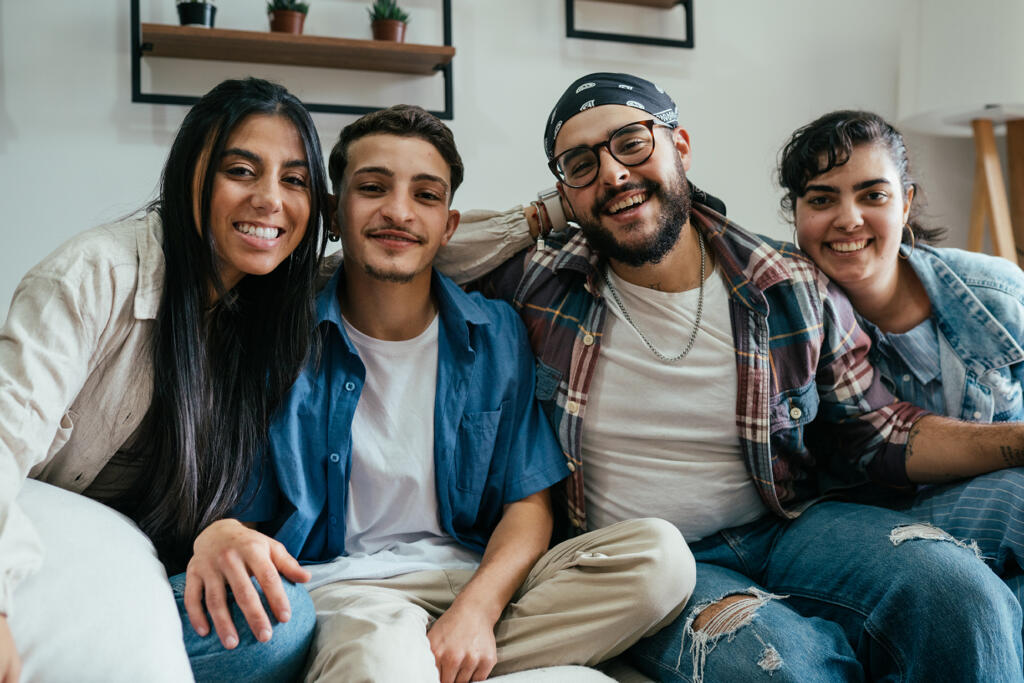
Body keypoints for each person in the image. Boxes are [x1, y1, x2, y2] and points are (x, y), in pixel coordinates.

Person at [437, 72, 1024, 682]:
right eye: (582, 165)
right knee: (783, 668)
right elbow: (417, 246)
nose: (612, 173)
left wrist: (1016, 442)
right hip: (652, 563)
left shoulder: (788, 281)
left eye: (632, 143)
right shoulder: (541, 281)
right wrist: (557, 207)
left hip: (788, 525)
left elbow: (881, 432)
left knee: (963, 599)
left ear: (681, 147)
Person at [197, 104, 696, 683]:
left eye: (426, 195)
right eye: (373, 188)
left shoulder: (495, 331)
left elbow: (528, 504)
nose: (399, 211)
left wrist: (476, 612)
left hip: (475, 583)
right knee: (383, 659)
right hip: (348, 593)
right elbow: (234, 509)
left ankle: (435, 661)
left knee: (659, 560)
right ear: (333, 212)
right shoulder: (275, 341)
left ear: (449, 225)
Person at [0, 77, 328, 682]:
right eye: (241, 171)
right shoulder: (92, 275)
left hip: (125, 577)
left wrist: (218, 532)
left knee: (278, 618)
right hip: (31, 569)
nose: (270, 200)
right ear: (188, 175)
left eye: (295, 180)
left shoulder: (266, 316)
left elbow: (398, 245)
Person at [778, 109, 1024, 604]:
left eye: (873, 195)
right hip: (871, 525)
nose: (849, 219)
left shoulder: (995, 294)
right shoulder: (789, 320)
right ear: (795, 213)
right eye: (822, 199)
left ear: (906, 202)